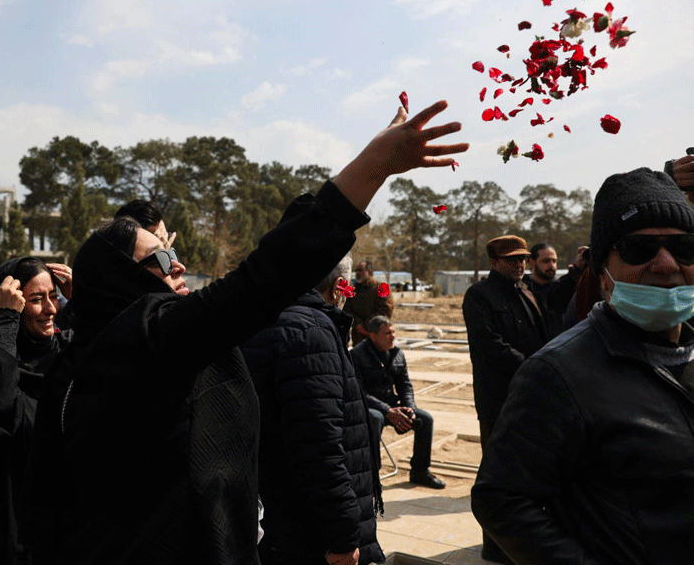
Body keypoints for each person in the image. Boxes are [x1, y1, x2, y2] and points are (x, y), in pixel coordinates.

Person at [24, 100, 468, 565]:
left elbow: (261, 267)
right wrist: (372, 167)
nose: (178, 264)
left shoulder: (96, 350)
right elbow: (261, 279)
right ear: (117, 278)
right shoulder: (144, 342)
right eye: (157, 257)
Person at [472, 167, 694, 564]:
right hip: (499, 390)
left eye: (685, 247)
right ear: (603, 273)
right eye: (638, 249)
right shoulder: (557, 375)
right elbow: (501, 499)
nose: (666, 263)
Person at [240, 255, 384, 565]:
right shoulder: (310, 332)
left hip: (276, 517)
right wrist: (344, 536)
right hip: (308, 531)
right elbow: (320, 449)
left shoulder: (265, 316)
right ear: (337, 288)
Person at [0, 257, 72, 564]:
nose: (50, 309)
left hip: (64, 522)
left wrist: (83, 306)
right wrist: (6, 323)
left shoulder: (63, 352)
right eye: (36, 300)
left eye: (54, 297)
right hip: (8, 526)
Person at [462, 234, 547, 563]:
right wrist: (534, 367)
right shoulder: (479, 295)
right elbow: (490, 344)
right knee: (498, 475)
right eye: (512, 259)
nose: (519, 264)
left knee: (529, 473)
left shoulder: (527, 290)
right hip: (499, 399)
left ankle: (520, 543)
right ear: (494, 262)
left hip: (533, 395)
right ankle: (495, 546)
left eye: (523, 258)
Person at [351, 315, 444, 490]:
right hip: (368, 406)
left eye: (393, 332)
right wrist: (388, 411)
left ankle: (420, 472)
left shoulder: (397, 354)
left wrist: (410, 408)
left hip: (392, 405)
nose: (393, 337)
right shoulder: (356, 355)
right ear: (372, 336)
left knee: (426, 419)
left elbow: (405, 386)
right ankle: (371, 477)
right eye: (387, 333)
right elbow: (358, 392)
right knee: (375, 419)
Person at [522, 243, 586, 340]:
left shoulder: (561, 287)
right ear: (531, 262)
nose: (551, 266)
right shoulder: (522, 290)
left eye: (554, 261)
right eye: (546, 261)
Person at [343, 260, 394, 345]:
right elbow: (346, 310)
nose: (357, 273)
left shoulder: (382, 287)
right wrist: (357, 324)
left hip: (378, 337)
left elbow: (386, 310)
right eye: (356, 270)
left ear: (370, 272)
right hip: (358, 339)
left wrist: (367, 326)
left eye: (360, 270)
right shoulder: (353, 290)